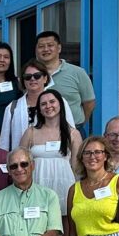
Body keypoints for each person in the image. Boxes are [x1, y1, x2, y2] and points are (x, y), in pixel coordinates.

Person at [21, 88, 82, 217]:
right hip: (36, 186)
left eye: (52, 102)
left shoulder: (73, 133)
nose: (48, 106)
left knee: (65, 233)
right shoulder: (30, 132)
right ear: (39, 109)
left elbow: (77, 167)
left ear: (60, 104)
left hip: (64, 185)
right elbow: (20, 162)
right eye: (43, 104)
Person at [0, 59, 75, 151]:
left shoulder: (59, 102)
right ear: (23, 81)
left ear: (45, 78)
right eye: (27, 77)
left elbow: (71, 134)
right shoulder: (12, 107)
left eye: (37, 76)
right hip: (21, 162)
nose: (32, 79)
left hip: (53, 159)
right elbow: (4, 143)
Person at [35, 31, 95, 130]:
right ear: (36, 50)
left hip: (73, 128)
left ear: (59, 48)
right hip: (41, 130)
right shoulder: (32, 75)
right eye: (41, 46)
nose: (45, 49)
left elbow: (89, 102)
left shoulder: (78, 72)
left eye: (50, 45)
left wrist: (80, 122)